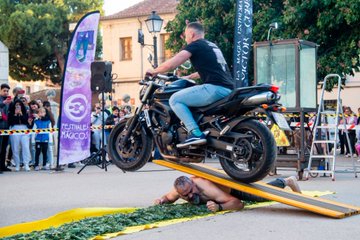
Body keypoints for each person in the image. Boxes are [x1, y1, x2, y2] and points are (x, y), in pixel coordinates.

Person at [146, 22, 234, 148]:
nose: (186, 38)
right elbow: (211, 69)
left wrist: (154, 71)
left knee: (175, 99)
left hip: (214, 88)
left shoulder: (195, 45)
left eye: (186, 35)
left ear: (192, 34)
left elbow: (172, 64)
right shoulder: (211, 46)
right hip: (227, 89)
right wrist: (188, 77)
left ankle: (195, 133)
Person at [154, 176, 301, 212]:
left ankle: (287, 181)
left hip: (233, 188)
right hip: (222, 190)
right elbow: (168, 198)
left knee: (260, 196)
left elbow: (238, 203)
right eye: (185, 196)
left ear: (193, 184)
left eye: (191, 192)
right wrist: (160, 200)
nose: (190, 196)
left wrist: (219, 207)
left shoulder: (208, 189)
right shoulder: (181, 190)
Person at [8, 99, 32, 171]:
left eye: (19, 105)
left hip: (24, 129)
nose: (18, 106)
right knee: (15, 148)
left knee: (25, 147)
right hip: (14, 129)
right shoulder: (10, 113)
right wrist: (15, 114)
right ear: (14, 106)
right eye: (16, 105)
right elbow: (10, 122)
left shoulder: (25, 113)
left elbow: (26, 122)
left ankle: (26, 164)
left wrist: (21, 114)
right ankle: (17, 164)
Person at [0, 83, 12, 173]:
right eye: (4, 90)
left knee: (4, 148)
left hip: (6, 127)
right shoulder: (3, 101)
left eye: (7, 91)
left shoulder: (8, 101)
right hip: (0, 127)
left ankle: (2, 166)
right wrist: (3, 103)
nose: (6, 92)